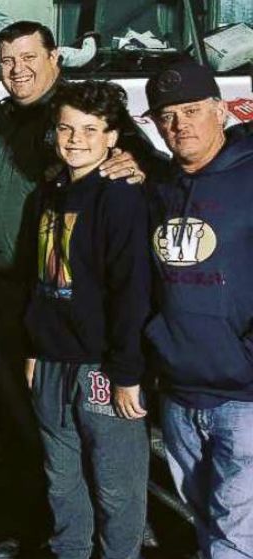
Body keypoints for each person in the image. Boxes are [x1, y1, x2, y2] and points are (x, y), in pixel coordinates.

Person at [0, 21, 151, 558]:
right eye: (7, 60)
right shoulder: (0, 125)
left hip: (87, 334)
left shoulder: (100, 144)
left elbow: (131, 283)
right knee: (37, 441)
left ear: (55, 58)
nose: (17, 69)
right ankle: (38, 532)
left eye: (29, 57)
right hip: (28, 314)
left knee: (110, 473)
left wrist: (137, 165)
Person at [24, 80, 150, 559]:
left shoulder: (120, 196)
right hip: (51, 362)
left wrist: (127, 373)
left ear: (112, 137)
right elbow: (36, 277)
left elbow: (132, 291)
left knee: (116, 487)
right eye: (66, 128)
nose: (75, 139)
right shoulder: (48, 193)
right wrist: (34, 349)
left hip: (100, 366)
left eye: (90, 130)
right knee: (62, 481)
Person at [145, 59, 253, 559]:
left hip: (243, 395)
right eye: (167, 116)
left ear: (220, 111)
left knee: (237, 528)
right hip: (179, 391)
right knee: (205, 514)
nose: (180, 125)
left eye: (191, 111)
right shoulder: (157, 186)